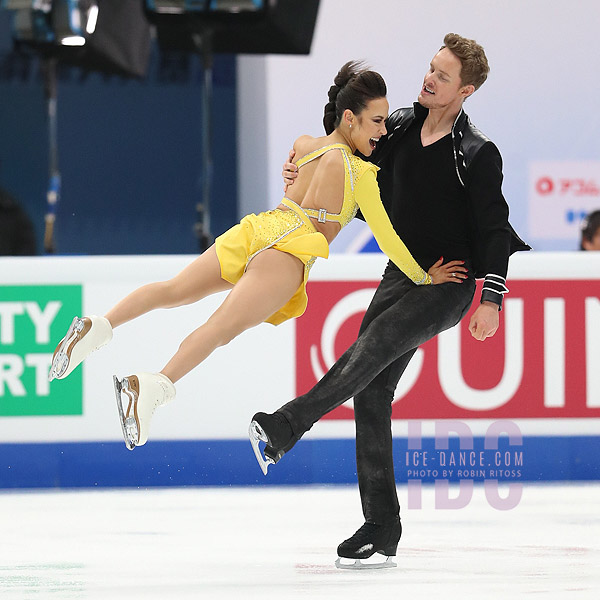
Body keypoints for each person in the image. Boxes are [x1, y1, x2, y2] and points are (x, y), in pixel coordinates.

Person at [48, 61, 462, 451]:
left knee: (174, 290)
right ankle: (151, 386)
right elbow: (388, 239)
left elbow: (300, 179)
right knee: (220, 328)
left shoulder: (305, 145)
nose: (384, 130)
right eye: (377, 121)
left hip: (259, 227)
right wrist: (424, 278)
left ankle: (97, 325)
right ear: (349, 118)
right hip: (288, 250)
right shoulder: (361, 174)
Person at [249, 33, 530, 567]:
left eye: (442, 76)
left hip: (449, 282)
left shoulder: (476, 152)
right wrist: (303, 175)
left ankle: (287, 425)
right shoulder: (397, 128)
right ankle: (382, 523)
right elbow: (357, 185)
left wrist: (490, 298)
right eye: (430, 68)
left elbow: (495, 231)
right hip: (405, 273)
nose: (429, 79)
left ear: (465, 90)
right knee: (372, 393)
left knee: (372, 347)